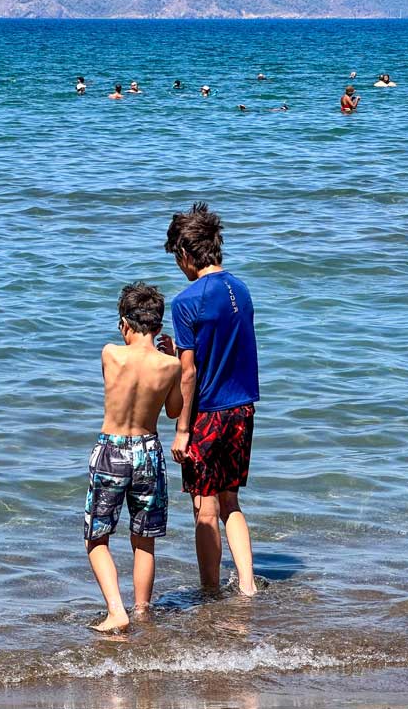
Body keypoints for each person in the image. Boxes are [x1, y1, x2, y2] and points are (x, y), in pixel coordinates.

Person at [165, 203, 260, 598]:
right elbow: (223, 347)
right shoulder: (241, 288)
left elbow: (189, 373)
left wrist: (183, 430)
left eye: (177, 259)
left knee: (204, 509)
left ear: (186, 253)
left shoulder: (186, 301)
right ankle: (249, 585)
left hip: (207, 414)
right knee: (230, 501)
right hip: (243, 407)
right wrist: (181, 349)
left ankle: (211, 593)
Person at [84, 282, 183, 632]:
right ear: (158, 326)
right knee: (144, 540)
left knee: (96, 537)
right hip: (148, 451)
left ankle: (116, 611)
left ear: (125, 323)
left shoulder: (110, 353)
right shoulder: (171, 366)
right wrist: (171, 355)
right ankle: (142, 611)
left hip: (112, 449)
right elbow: (173, 411)